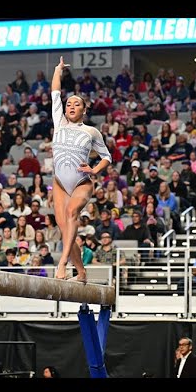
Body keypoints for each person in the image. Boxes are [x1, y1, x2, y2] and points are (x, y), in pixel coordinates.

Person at [51, 56, 112, 282]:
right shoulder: (58, 121)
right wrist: (58, 71)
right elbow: (55, 93)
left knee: (71, 215)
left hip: (81, 183)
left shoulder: (91, 132)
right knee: (65, 229)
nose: (71, 106)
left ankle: (62, 264)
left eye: (77, 104)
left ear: (84, 110)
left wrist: (95, 170)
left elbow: (107, 157)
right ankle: (82, 272)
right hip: (59, 182)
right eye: (69, 104)